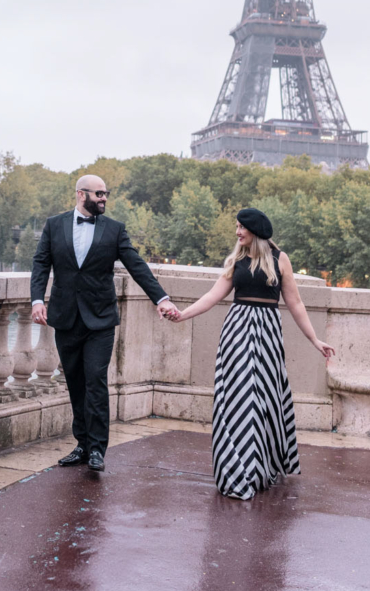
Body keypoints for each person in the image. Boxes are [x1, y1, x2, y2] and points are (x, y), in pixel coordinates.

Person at [169, 207, 334, 500]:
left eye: (240, 228)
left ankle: (262, 468)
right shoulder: (236, 261)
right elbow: (211, 296)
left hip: (268, 334)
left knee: (266, 400)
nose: (237, 233)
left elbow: (296, 304)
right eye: (236, 227)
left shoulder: (279, 259)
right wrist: (182, 315)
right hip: (237, 332)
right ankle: (237, 468)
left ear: (253, 230)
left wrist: (315, 340)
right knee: (238, 397)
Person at [31, 174, 179, 471]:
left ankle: (98, 449)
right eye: (98, 194)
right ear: (80, 194)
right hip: (65, 317)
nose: (104, 199)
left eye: (105, 194)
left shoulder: (114, 230)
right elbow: (40, 263)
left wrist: (161, 299)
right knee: (75, 382)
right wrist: (37, 300)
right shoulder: (54, 224)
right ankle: (82, 444)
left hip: (99, 319)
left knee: (95, 380)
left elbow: (137, 266)